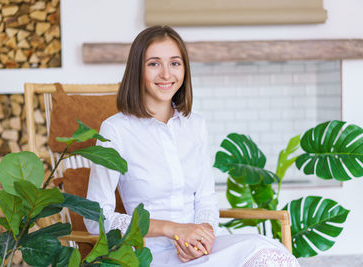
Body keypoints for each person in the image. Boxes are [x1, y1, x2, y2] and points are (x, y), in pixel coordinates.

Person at [84, 25, 299, 266]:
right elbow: (96, 218)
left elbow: (206, 198)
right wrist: (174, 230)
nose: (166, 74)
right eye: (154, 64)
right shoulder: (116, 130)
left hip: (200, 249)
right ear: (137, 70)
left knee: (266, 252)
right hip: (148, 253)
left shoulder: (195, 125)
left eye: (175, 63)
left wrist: (201, 236)